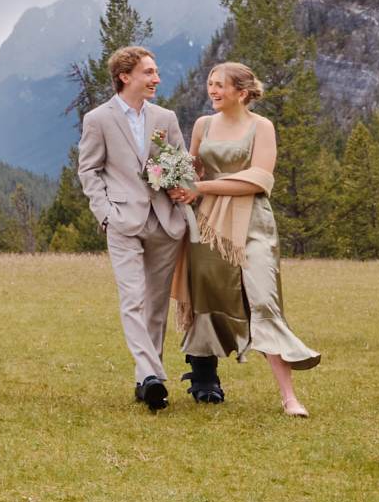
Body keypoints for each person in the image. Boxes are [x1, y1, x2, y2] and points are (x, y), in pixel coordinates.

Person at [175, 62, 318, 416]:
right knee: (206, 295)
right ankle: (205, 381)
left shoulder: (261, 126)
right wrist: (171, 175)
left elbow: (258, 179)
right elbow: (192, 169)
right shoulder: (202, 125)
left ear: (242, 92)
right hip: (207, 223)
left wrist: (201, 187)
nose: (212, 90)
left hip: (252, 223)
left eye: (219, 85)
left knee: (263, 298)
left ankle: (289, 397)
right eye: (210, 83)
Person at [75, 44, 196, 412]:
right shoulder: (98, 118)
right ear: (125, 76)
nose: (157, 79)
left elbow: (181, 161)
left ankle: (146, 379)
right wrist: (106, 213)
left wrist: (184, 186)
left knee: (157, 305)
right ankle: (152, 375)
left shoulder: (165, 117)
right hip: (123, 222)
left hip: (164, 221)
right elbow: (89, 171)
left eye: (156, 73)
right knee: (133, 299)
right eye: (149, 73)